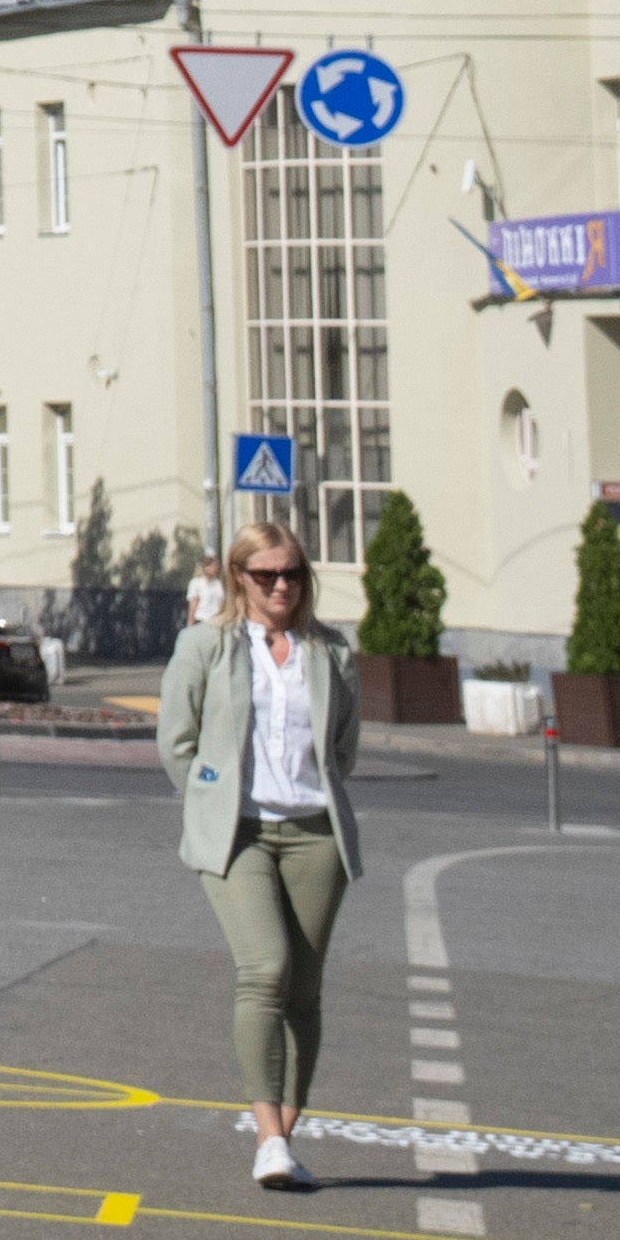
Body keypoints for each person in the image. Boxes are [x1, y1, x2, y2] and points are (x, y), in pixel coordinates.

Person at [160, 506, 361, 1186]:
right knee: (265, 967)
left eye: (294, 573)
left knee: (305, 990)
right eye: (268, 574)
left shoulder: (330, 651)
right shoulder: (207, 647)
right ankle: (268, 1136)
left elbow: (342, 749)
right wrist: (210, 796)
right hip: (236, 834)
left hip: (314, 834)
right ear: (239, 576)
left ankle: (285, 1138)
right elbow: (177, 741)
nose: (283, 586)